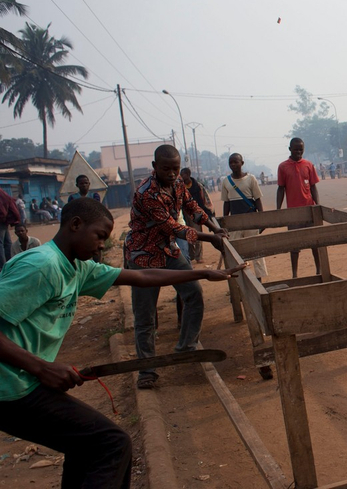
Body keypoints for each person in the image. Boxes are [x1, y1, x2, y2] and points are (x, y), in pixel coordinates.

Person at [0, 197, 244, 488]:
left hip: (22, 383)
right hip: (10, 390)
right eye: (100, 236)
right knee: (111, 444)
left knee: (87, 445)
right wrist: (42, 368)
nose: (103, 245)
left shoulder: (77, 268)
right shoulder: (43, 266)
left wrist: (202, 273)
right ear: (76, 225)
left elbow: (141, 274)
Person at [125, 145, 231, 390]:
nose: (172, 173)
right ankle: (147, 371)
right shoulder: (146, 193)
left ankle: (186, 347)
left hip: (168, 250)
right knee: (145, 316)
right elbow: (174, 227)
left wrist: (216, 228)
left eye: (175, 168)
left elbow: (193, 207)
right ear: (155, 167)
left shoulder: (178, 184)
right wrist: (210, 238)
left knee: (193, 294)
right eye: (166, 169)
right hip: (143, 255)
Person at [277, 138, 321, 278]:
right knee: (294, 245)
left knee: (315, 242)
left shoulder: (308, 165)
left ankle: (319, 270)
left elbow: (313, 186)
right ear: (290, 149)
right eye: (296, 149)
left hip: (309, 210)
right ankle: (295, 274)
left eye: (301, 149)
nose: (298, 152)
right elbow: (281, 189)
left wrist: (318, 205)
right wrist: (278, 210)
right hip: (293, 213)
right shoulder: (283, 167)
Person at [220, 154, 268, 282]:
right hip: (234, 223)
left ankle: (259, 281)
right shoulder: (226, 181)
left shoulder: (251, 179)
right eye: (231, 162)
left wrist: (261, 219)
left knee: (256, 251)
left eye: (236, 162)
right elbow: (227, 203)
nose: (233, 165)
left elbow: (257, 199)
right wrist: (225, 223)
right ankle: (241, 281)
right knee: (237, 254)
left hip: (251, 221)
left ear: (242, 163)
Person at [180, 167, 216, 264]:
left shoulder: (197, 186)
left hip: (196, 212)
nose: (181, 176)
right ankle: (191, 255)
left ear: (188, 174)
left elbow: (205, 199)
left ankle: (198, 256)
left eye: (183, 174)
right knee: (187, 234)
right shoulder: (180, 187)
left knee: (197, 234)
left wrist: (209, 212)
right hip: (184, 214)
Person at [0, 189, 21, 271]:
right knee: (7, 242)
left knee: (1, 244)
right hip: (4, 220)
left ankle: (3, 266)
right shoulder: (2, 192)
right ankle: (10, 263)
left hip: (2, 220)